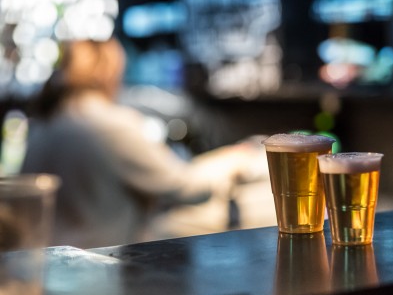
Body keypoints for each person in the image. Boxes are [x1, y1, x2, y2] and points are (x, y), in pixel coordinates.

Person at [21, 37, 268, 248]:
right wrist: (234, 160)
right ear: (108, 72)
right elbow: (187, 188)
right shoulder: (112, 125)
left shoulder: (45, 125)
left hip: (45, 266)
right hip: (99, 274)